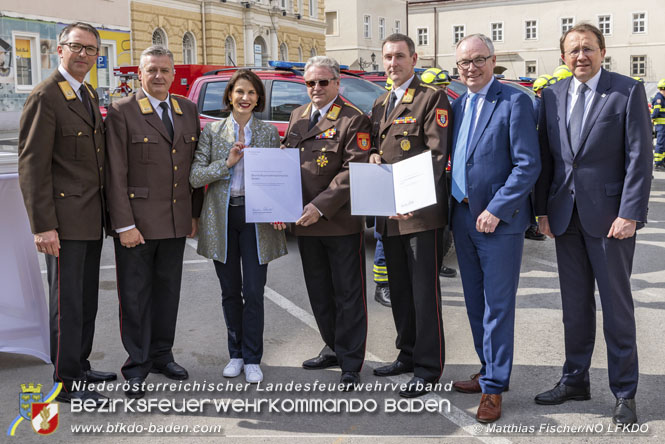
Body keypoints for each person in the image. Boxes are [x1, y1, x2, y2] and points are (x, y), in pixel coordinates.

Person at [534, 23, 653, 426]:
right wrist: (542, 211)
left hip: (611, 220)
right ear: (562, 58)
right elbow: (548, 160)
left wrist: (630, 212)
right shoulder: (551, 95)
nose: (580, 56)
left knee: (617, 308)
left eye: (588, 49)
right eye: (573, 51)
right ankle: (575, 380)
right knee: (574, 307)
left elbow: (640, 157)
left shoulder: (626, 90)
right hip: (565, 217)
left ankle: (624, 392)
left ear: (602, 52)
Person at [18, 22, 115, 406]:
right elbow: (33, 166)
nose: (84, 55)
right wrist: (43, 226)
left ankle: (81, 363)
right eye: (76, 46)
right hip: (63, 222)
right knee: (67, 304)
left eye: (91, 49)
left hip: (90, 219)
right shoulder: (46, 96)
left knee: (86, 301)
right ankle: (66, 380)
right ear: (59, 50)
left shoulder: (87, 92)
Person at [449, 34, 540, 423]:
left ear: (493, 61)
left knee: (497, 308)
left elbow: (527, 165)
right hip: (461, 216)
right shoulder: (457, 105)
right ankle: (487, 369)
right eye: (464, 62)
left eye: (478, 60)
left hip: (497, 223)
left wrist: (498, 209)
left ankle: (494, 387)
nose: (471, 68)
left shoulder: (515, 101)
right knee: (474, 303)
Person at [105, 45, 203, 399]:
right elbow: (115, 173)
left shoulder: (187, 109)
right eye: (151, 70)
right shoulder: (122, 111)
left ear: (173, 74)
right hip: (137, 224)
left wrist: (193, 213)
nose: (158, 76)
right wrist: (123, 224)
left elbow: (194, 167)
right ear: (140, 75)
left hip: (176, 222)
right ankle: (137, 364)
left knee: (167, 294)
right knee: (135, 297)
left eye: (164, 70)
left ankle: (162, 355)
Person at [189, 69, 287, 384]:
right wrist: (227, 164)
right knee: (230, 291)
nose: (245, 98)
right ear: (230, 95)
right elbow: (195, 176)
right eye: (239, 92)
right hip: (222, 217)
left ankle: (253, 357)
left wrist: (279, 207)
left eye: (251, 93)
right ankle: (236, 354)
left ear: (258, 99)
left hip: (257, 219)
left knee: (254, 291)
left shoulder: (269, 133)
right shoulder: (213, 132)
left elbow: (275, 178)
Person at [369, 33, 451, 398]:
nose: (392, 63)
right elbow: (377, 148)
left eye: (399, 57)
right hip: (389, 213)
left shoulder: (431, 98)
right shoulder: (381, 102)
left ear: (413, 59)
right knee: (399, 290)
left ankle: (428, 367)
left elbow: (436, 156)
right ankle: (406, 353)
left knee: (423, 293)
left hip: (419, 215)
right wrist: (371, 157)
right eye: (387, 57)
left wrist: (411, 199)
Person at [282, 56, 370, 389]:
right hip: (304, 223)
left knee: (348, 293)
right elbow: (287, 161)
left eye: (322, 82)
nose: (316, 88)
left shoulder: (352, 119)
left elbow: (354, 170)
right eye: (310, 83)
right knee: (319, 291)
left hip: (338, 222)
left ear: (337, 83)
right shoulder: (297, 116)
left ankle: (351, 362)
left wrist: (319, 206)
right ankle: (332, 345)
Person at [420, 67, 460, 277]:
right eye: (439, 86)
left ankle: (437, 263)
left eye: (445, 87)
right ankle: (383, 283)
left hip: (445, 174)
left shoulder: (449, 106)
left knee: (444, 227)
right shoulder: (423, 105)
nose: (443, 90)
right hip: (423, 177)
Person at [652, 78, 665, 171]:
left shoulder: (662, 98)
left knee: (663, 144)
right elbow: (656, 111)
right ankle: (658, 163)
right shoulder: (659, 98)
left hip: (663, 126)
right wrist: (652, 119)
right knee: (660, 143)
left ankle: (662, 161)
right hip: (660, 126)